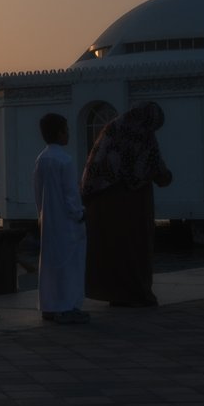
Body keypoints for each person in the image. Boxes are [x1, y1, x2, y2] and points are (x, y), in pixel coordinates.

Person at [81, 101, 173, 307]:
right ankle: (135, 293)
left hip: (103, 201)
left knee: (112, 248)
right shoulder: (144, 134)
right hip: (132, 201)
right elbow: (156, 170)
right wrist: (167, 177)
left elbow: (95, 168)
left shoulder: (111, 129)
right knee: (134, 247)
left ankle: (115, 293)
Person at [33, 114, 88, 325]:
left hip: (48, 221)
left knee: (50, 265)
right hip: (67, 223)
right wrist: (80, 213)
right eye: (66, 130)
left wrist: (41, 215)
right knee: (70, 265)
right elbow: (70, 194)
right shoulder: (65, 160)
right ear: (59, 133)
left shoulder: (42, 159)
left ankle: (49, 306)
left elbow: (37, 192)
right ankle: (66, 306)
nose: (68, 134)